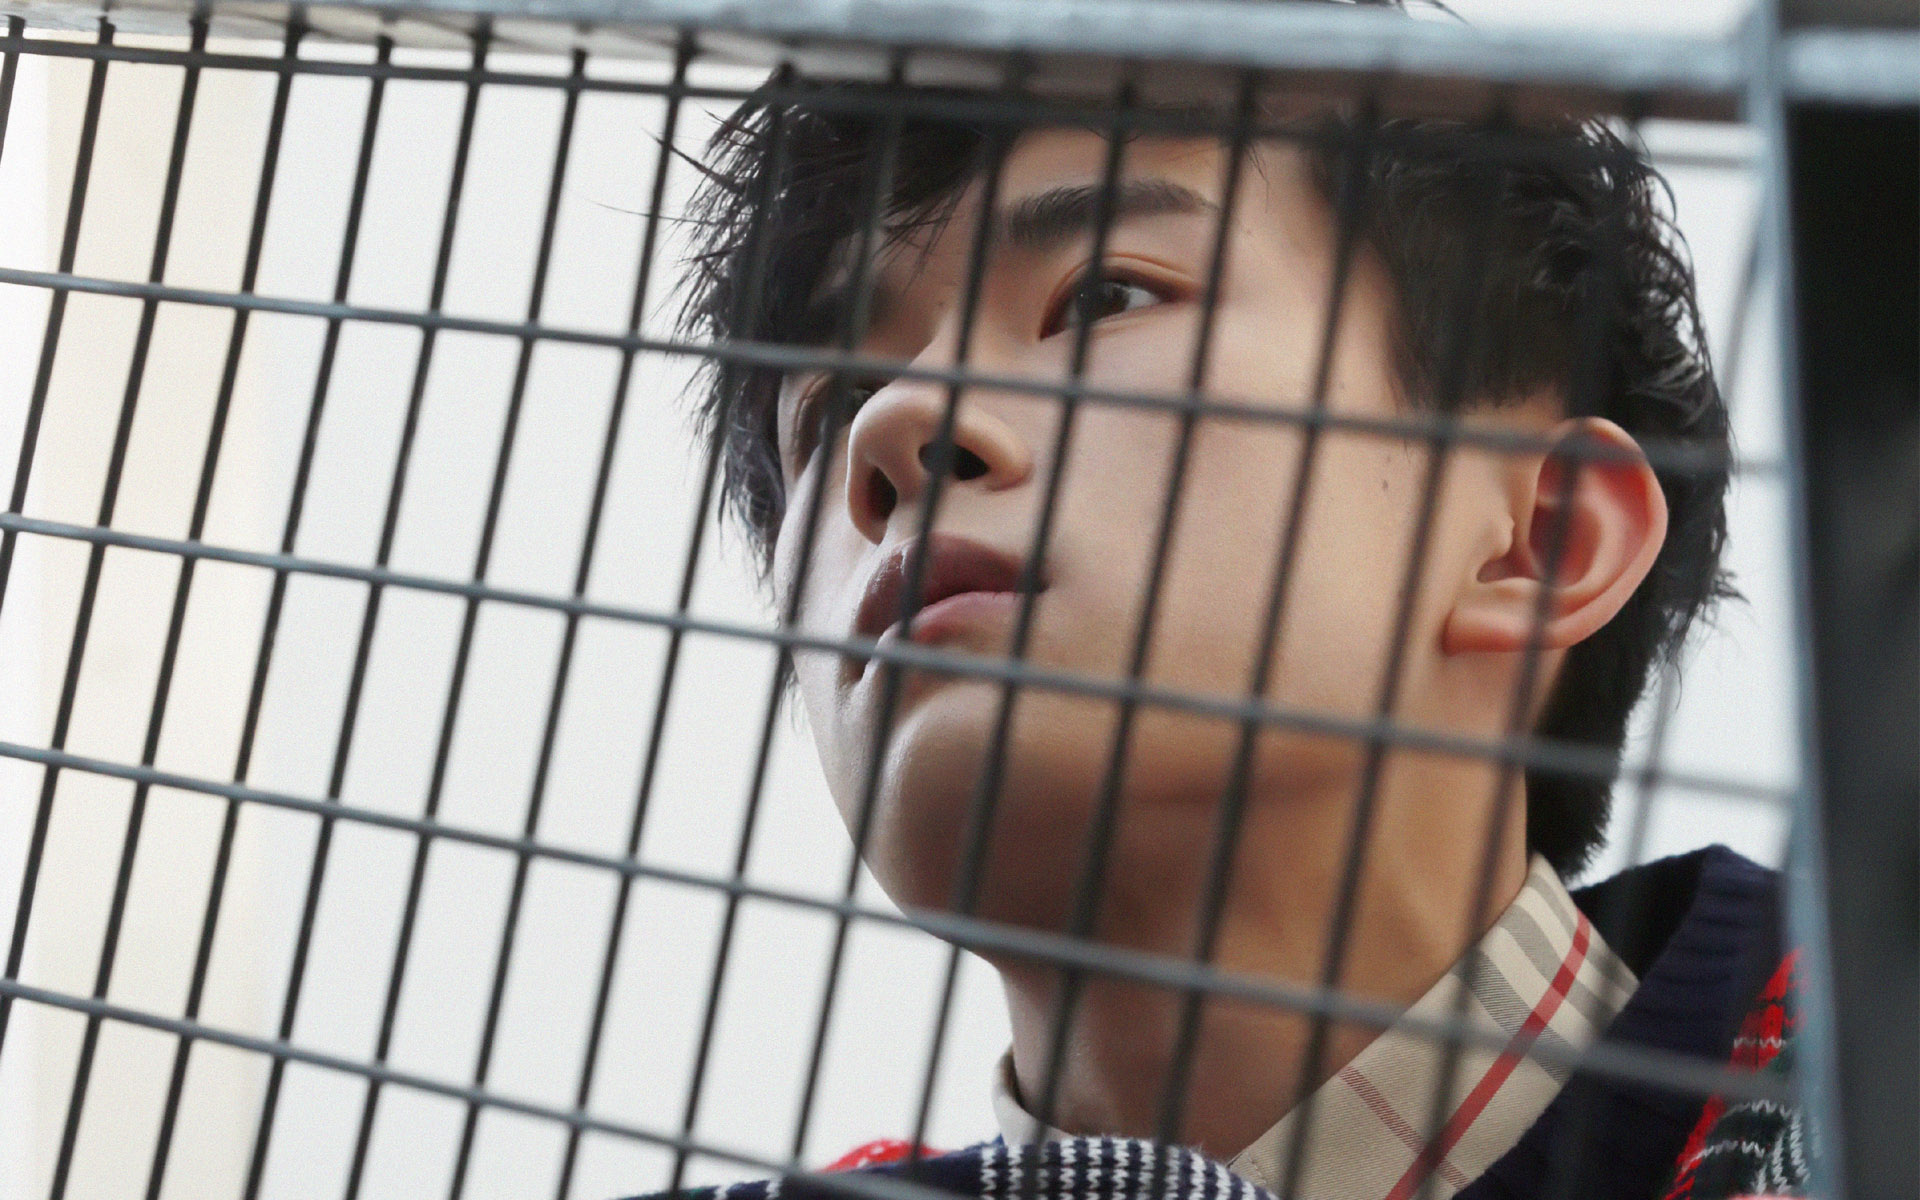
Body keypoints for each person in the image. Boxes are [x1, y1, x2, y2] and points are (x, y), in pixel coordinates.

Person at [644, 27, 1798, 1200]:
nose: (895, 424)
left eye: (1102, 297)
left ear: (1540, 542)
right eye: (836, 399)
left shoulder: (1862, 1088)